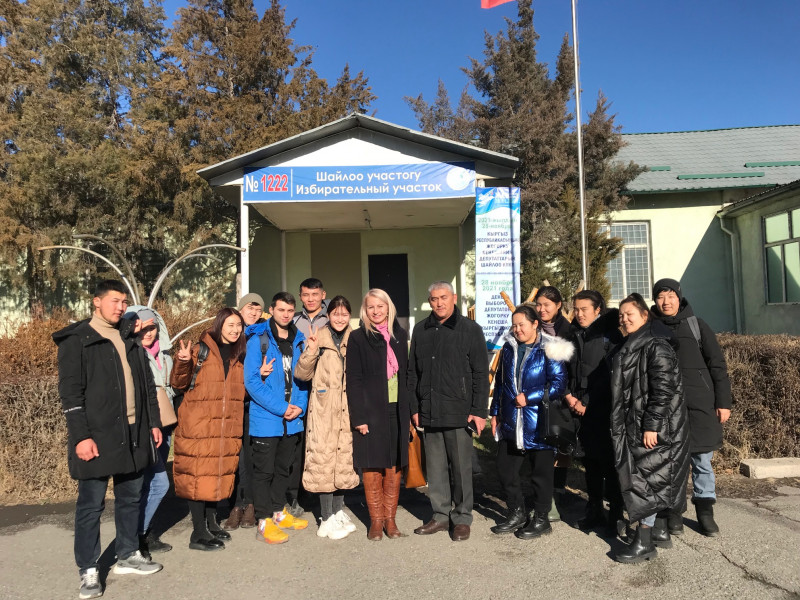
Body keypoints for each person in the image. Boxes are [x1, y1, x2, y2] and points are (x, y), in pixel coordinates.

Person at [53, 280, 163, 600]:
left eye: (124, 302)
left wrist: (153, 423)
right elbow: (71, 395)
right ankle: (88, 569)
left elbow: (147, 385)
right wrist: (81, 437)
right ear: (96, 302)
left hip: (134, 432)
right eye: (115, 300)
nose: (121, 307)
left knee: (131, 497)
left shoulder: (129, 338)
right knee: (91, 506)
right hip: (97, 436)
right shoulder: (77, 340)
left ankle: (127, 554)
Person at [610, 293, 690, 564]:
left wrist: (652, 425)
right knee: (652, 478)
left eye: (629, 314)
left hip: (656, 427)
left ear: (645, 315)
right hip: (641, 423)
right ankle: (658, 531)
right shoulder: (636, 342)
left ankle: (644, 541)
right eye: (621, 315)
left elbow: (664, 389)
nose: (624, 319)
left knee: (647, 481)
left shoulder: (655, 345)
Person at [408, 281, 489, 542]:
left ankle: (462, 518)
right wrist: (414, 407)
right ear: (429, 302)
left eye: (443, 297)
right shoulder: (421, 330)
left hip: (459, 410)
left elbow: (480, 373)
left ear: (454, 298)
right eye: (434, 299)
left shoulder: (470, 329)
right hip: (430, 409)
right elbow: (412, 372)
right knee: (435, 468)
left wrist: (479, 410)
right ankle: (441, 516)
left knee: (461, 469)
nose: (439, 303)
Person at [651, 278, 732, 537]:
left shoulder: (697, 325)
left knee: (702, 460)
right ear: (655, 300)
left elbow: (717, 364)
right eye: (661, 297)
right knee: (671, 462)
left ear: (679, 298)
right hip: (666, 407)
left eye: (671, 296)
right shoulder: (650, 328)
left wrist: (723, 402)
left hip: (700, 405)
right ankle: (673, 512)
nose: (666, 302)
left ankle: (705, 512)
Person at [489, 304, 573, 539]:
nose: (517, 330)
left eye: (522, 325)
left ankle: (542, 519)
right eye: (514, 325)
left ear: (535, 324)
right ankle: (516, 512)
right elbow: (501, 384)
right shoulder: (508, 347)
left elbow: (559, 384)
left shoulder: (551, 347)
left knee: (541, 474)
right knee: (505, 469)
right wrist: (495, 413)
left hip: (539, 422)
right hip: (511, 421)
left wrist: (530, 397)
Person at [170, 307, 246, 551]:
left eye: (239, 325)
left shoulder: (237, 356)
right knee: (197, 477)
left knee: (215, 474)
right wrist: (182, 362)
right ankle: (198, 532)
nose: (235, 330)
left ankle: (212, 523)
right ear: (219, 325)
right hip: (199, 425)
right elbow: (178, 383)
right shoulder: (199, 351)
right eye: (230, 325)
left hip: (224, 426)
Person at [245, 292, 310, 544]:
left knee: (284, 468)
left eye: (290, 311)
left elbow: (303, 379)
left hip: (292, 419)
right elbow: (252, 382)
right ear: (271, 310)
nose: (285, 315)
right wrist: (282, 408)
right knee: (264, 472)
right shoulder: (258, 340)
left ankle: (278, 512)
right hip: (267, 419)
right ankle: (264, 521)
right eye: (281, 310)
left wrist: (299, 407)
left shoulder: (298, 340)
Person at [346, 288, 411, 541]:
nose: (376, 311)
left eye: (380, 306)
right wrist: (359, 417)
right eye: (371, 307)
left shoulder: (399, 335)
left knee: (393, 465)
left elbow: (407, 375)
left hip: (397, 409)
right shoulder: (358, 338)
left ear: (388, 307)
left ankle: (390, 520)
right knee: (372, 465)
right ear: (365, 310)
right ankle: (375, 521)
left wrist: (410, 413)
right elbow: (353, 380)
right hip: (370, 412)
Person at [294, 295, 360, 540]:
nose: (340, 318)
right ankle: (325, 517)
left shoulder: (356, 339)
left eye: (344, 314)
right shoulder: (318, 338)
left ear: (349, 316)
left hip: (347, 409)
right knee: (323, 460)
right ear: (328, 315)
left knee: (343, 459)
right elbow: (302, 374)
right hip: (323, 410)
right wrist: (311, 351)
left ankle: (337, 511)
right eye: (335, 314)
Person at [565, 291, 625, 537]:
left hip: (603, 409)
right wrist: (569, 396)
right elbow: (564, 370)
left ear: (597, 309)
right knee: (589, 463)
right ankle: (594, 510)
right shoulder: (572, 334)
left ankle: (616, 514)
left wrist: (587, 401)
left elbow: (609, 375)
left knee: (609, 465)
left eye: (584, 309)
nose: (579, 314)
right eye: (576, 309)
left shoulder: (609, 335)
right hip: (578, 410)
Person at [125, 306, 177, 557]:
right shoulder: (130, 354)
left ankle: (145, 534)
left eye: (152, 327)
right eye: (142, 327)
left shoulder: (165, 355)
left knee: (150, 483)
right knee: (157, 483)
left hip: (165, 424)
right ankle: (136, 537)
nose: (148, 332)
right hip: (145, 426)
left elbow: (172, 386)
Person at [222, 293, 266, 531]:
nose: (254, 313)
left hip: (253, 404)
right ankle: (235, 505)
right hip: (231, 403)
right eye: (250, 308)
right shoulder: (230, 334)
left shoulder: (262, 334)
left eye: (258, 309)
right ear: (240, 309)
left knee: (250, 456)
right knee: (234, 456)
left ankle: (249, 503)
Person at [287, 278, 330, 516]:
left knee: (322, 444)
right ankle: (296, 495)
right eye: (305, 295)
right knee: (298, 444)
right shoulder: (293, 320)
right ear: (300, 296)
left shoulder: (332, 317)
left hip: (325, 389)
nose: (310, 299)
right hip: (298, 387)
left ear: (323, 294)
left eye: (315, 294)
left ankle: (323, 495)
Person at [533, 286, 571, 521]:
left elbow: (572, 367)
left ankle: (557, 491)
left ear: (558, 305)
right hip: (537, 395)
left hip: (562, 397)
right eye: (538, 304)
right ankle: (546, 497)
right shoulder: (533, 327)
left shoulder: (567, 330)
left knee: (560, 445)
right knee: (542, 447)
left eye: (547, 304)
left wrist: (568, 394)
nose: (541, 309)